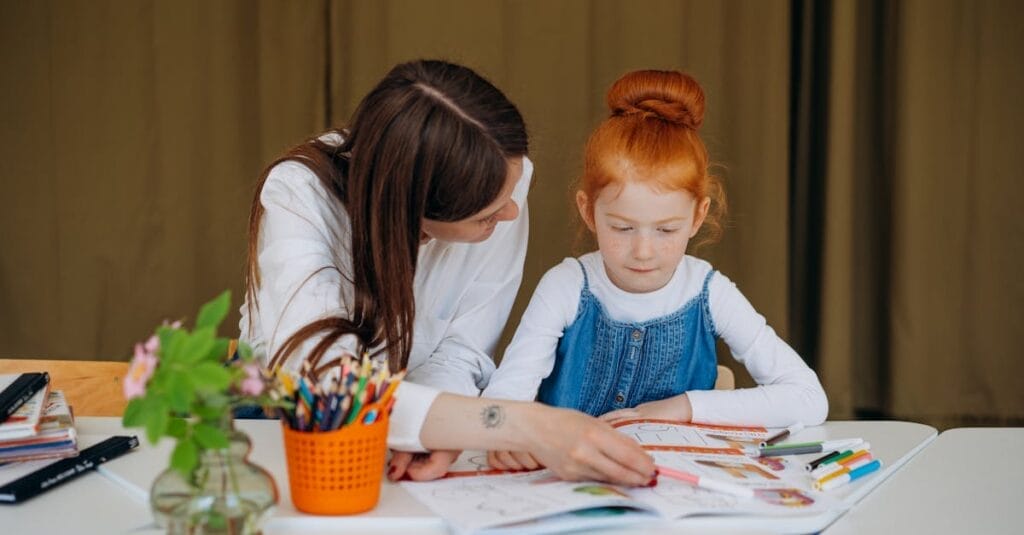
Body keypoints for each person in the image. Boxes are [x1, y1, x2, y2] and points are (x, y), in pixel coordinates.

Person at [240, 59, 655, 485]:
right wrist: (531, 425)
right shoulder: (300, 194)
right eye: (486, 218)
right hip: (281, 428)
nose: (511, 212)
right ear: (413, 207)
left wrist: (441, 429)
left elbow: (462, 350)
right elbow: (327, 385)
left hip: (416, 429)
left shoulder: (501, 178)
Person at [479, 69, 828, 470]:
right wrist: (506, 430)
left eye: (666, 230)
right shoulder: (566, 285)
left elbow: (808, 398)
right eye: (622, 228)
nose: (643, 251)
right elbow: (506, 397)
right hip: (567, 481)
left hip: (674, 484)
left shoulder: (710, 292)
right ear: (588, 210)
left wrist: (683, 407)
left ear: (698, 217)